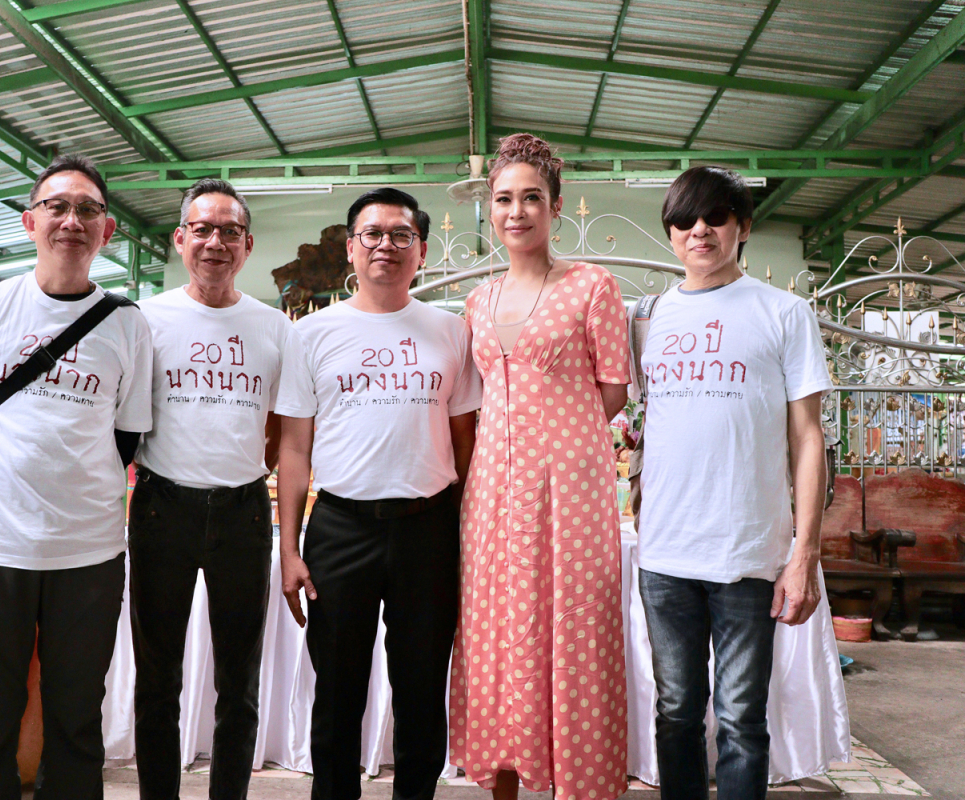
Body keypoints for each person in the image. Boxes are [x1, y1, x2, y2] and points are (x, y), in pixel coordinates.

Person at [0, 153, 154, 799]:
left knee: (76, 722)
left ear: (107, 231)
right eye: (57, 206)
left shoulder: (127, 325)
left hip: (89, 554)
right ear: (30, 221)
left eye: (88, 209)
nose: (71, 220)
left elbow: (126, 439)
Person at [277, 188, 482, 800]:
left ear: (420, 249)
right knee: (337, 691)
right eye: (372, 234)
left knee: (422, 689)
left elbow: (466, 443)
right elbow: (293, 449)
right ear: (350, 246)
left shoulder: (452, 332)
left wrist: (466, 533)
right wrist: (288, 548)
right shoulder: (312, 334)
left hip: (428, 527)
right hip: (341, 528)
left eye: (400, 235)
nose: (385, 245)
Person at [636, 166, 831, 799]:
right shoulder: (649, 317)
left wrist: (804, 554)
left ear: (742, 228)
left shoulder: (784, 312)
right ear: (669, 232)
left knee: (743, 722)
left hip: (750, 554)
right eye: (685, 220)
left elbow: (807, 438)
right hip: (665, 554)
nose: (700, 230)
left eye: (716, 218)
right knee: (676, 715)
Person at [449, 133, 632, 800]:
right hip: (492, 494)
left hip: (571, 492)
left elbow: (611, 388)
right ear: (489, 211)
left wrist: (561, 446)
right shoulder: (477, 300)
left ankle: (576, 783)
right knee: (498, 636)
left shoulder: (591, 285)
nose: (516, 211)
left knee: (572, 632)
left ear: (556, 208)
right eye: (503, 199)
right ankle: (505, 780)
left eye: (532, 198)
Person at [129, 178, 315, 800]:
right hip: (160, 508)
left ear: (248, 244)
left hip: (240, 512)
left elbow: (287, 439)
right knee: (157, 679)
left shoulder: (275, 329)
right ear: (180, 238)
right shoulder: (143, 319)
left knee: (239, 681)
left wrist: (288, 541)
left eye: (229, 231)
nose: (215, 242)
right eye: (202, 229)